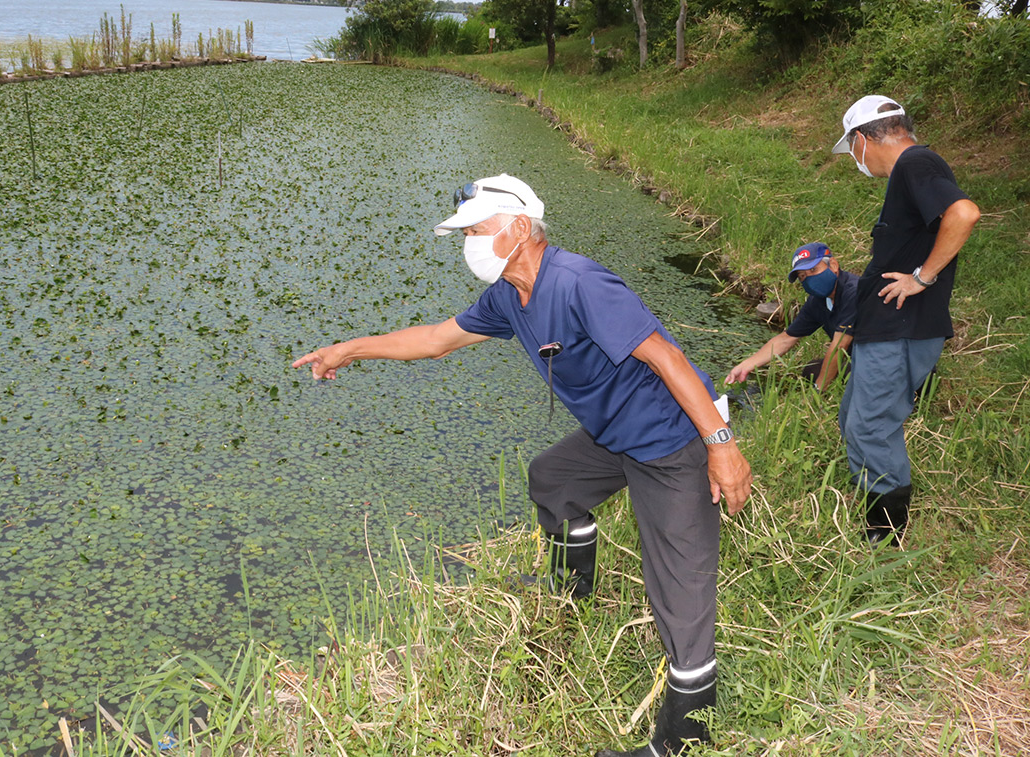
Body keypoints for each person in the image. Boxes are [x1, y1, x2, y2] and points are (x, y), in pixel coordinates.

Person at [292, 174, 752, 757]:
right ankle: (571, 588)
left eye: (476, 230)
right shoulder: (511, 294)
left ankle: (681, 742)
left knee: (679, 591)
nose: (469, 244)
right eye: (464, 233)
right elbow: (436, 338)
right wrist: (348, 349)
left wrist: (722, 445)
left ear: (515, 227)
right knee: (554, 479)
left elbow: (667, 356)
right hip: (615, 435)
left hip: (669, 441)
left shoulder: (579, 282)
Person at [831, 96, 980, 546]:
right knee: (854, 420)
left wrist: (922, 276)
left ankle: (885, 540)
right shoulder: (913, 170)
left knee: (873, 426)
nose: (855, 159)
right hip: (885, 330)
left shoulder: (916, 162)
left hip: (900, 330)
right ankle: (872, 510)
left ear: (861, 140)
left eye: (851, 149)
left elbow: (964, 212)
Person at [725, 242, 858, 392]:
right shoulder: (818, 301)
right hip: (856, 358)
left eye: (813, 269)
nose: (809, 279)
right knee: (811, 371)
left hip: (877, 360)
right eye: (802, 276)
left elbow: (839, 346)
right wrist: (746, 366)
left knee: (849, 378)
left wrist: (817, 391)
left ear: (833, 265)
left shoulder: (853, 292)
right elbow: (786, 339)